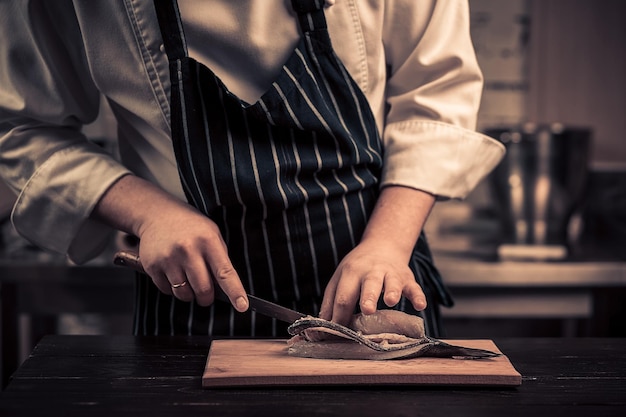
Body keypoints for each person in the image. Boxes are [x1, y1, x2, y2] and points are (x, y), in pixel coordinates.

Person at [0, 0, 504, 338]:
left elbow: (436, 95)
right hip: (193, 306)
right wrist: (150, 214)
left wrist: (389, 244)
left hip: (378, 291)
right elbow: (17, 128)